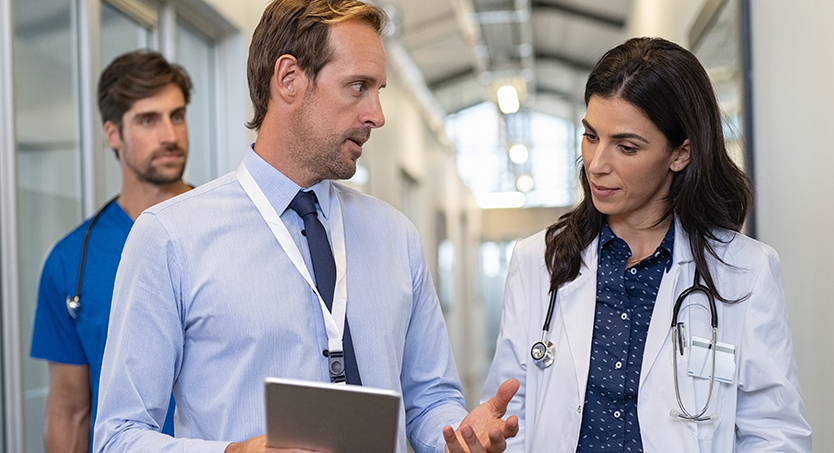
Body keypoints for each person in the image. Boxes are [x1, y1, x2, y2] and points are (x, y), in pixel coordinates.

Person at [93, 1, 518, 453]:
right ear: (289, 79)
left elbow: (431, 400)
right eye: (358, 87)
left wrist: (460, 437)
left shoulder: (396, 237)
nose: (377, 113)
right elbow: (118, 436)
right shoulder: (170, 237)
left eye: (379, 90)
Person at [481, 37, 813, 452]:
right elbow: (509, 412)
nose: (597, 164)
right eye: (590, 136)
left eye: (626, 146)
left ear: (680, 154)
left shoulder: (745, 270)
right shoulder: (538, 261)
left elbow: (776, 434)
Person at [30, 50, 193, 453]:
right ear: (113, 134)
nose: (170, 135)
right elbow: (70, 411)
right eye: (148, 120)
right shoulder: (71, 263)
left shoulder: (230, 230)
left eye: (177, 115)